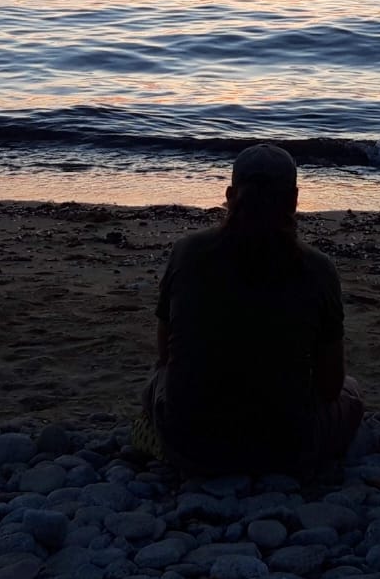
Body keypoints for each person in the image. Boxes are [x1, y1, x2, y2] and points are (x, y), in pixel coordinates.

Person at [141, 144, 364, 473]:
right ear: (295, 200)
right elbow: (330, 386)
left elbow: (165, 354)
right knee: (352, 394)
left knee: (156, 382)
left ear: (229, 195)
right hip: (286, 449)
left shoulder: (187, 253)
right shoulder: (317, 269)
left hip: (189, 445)